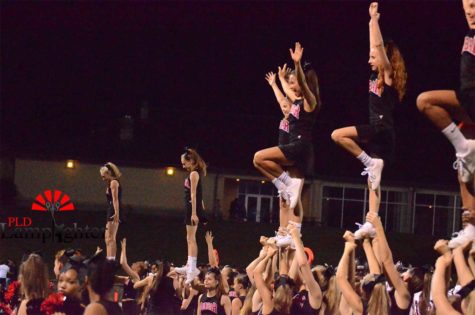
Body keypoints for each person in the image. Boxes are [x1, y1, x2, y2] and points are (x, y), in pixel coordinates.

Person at [331, 2, 407, 239]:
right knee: (373, 180)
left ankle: (368, 162)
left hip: (380, 127)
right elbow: (374, 48)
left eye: (372, 56)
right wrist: (369, 23)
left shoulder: (388, 75)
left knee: (337, 135)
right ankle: (371, 220)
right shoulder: (376, 75)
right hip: (382, 131)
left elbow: (379, 50)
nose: (369, 60)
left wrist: (373, 20)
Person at [417, 0, 475, 248]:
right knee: (464, 168)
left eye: (474, 6)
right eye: (466, 9)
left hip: (471, 99)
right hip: (468, 105)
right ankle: (470, 226)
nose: (470, 13)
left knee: (426, 101)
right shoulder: (469, 35)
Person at [254, 42, 321, 211]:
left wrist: (297, 64)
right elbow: (284, 96)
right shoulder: (297, 102)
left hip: (300, 146)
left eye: (295, 82)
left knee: (259, 157)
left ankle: (288, 183)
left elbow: (304, 86)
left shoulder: (310, 102)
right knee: (259, 161)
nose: (293, 86)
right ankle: (284, 185)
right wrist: (279, 81)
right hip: (294, 146)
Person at [175, 148, 208, 284]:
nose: (183, 166)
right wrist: (201, 207)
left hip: (191, 209)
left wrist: (195, 212)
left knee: (191, 238)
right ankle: (190, 264)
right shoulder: (193, 174)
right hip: (191, 207)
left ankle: (192, 267)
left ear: (192, 161)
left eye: (184, 163)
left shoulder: (194, 174)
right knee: (189, 237)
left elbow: (194, 194)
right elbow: (198, 194)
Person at [99, 162, 123, 261]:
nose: (103, 179)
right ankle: (109, 259)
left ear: (109, 173)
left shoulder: (114, 182)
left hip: (113, 209)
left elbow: (115, 199)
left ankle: (111, 260)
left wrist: (117, 213)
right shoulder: (110, 183)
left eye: (104, 176)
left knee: (111, 237)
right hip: (110, 209)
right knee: (107, 238)